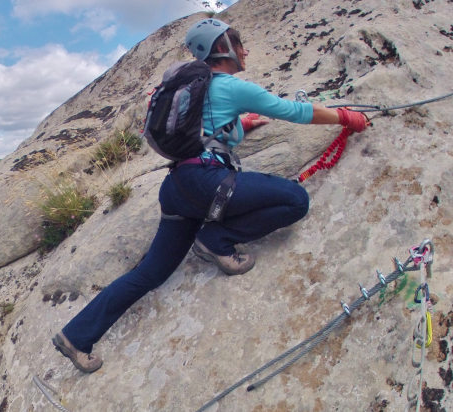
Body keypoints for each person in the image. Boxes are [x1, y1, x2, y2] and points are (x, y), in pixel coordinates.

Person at [51, 18, 369, 373]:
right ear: (223, 48)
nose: (245, 49)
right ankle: (216, 240)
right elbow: (294, 111)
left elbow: (205, 135)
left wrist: (242, 125)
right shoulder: (229, 86)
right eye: (238, 41)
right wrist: (344, 116)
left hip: (178, 189)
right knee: (295, 200)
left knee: (149, 274)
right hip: (205, 182)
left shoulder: (199, 91)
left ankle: (75, 335)